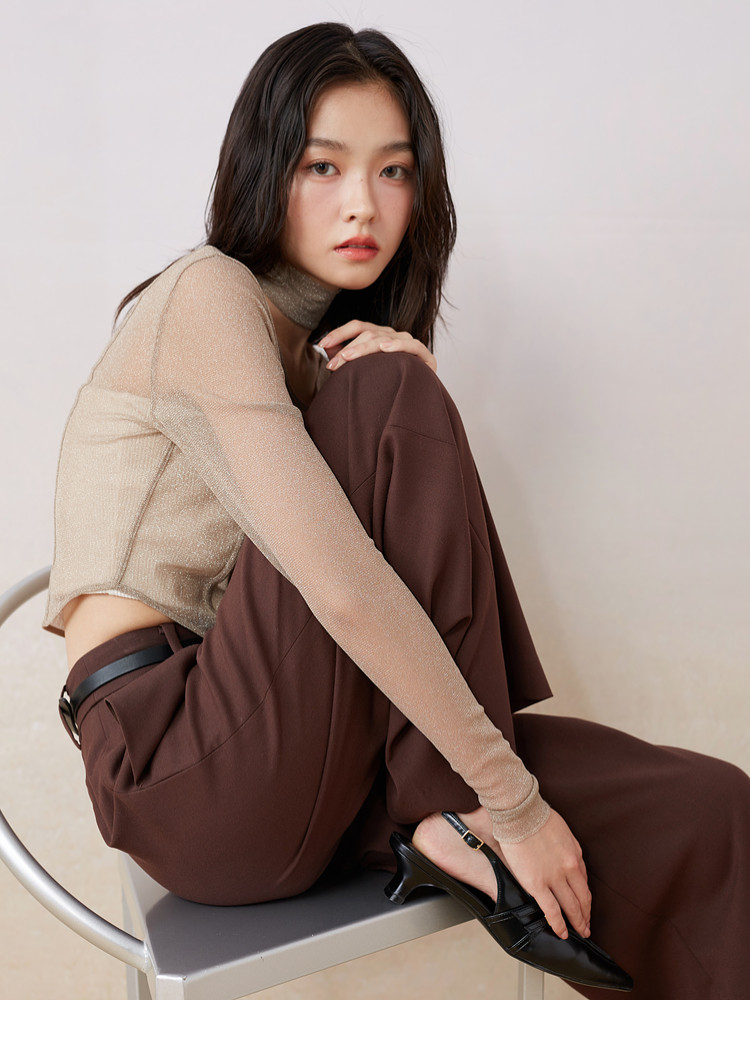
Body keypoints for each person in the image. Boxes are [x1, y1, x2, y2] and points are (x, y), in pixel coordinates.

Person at [47, 22, 750, 999]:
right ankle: (456, 805)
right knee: (390, 391)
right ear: (263, 169)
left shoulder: (322, 357)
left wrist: (404, 383)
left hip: (302, 745)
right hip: (183, 772)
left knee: (709, 810)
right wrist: (509, 801)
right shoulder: (207, 296)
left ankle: (451, 807)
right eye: (323, 166)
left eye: (394, 171)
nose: (362, 204)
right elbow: (340, 587)